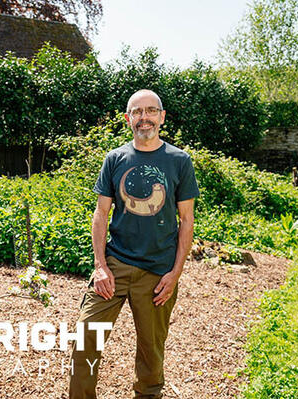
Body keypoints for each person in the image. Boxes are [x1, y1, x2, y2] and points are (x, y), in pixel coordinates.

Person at [69, 89, 200, 398]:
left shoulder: (179, 161)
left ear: (162, 117)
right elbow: (101, 214)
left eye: (151, 111)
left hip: (158, 272)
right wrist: (100, 267)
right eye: (138, 112)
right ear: (128, 119)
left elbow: (187, 221)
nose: (145, 117)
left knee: (151, 357)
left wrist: (175, 274)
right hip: (115, 266)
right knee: (86, 340)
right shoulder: (115, 159)